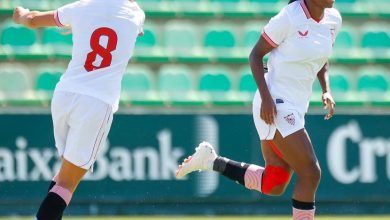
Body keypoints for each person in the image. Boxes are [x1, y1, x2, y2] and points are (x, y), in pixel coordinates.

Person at [176, 0, 342, 219]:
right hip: (275, 103)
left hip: (296, 107)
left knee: (274, 183)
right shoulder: (289, 16)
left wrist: (326, 89)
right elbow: (255, 55)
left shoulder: (333, 19)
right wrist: (266, 98)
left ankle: (210, 161)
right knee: (310, 172)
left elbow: (321, 58)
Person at [12, 0, 145, 219]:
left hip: (65, 95)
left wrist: (21, 15)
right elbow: (124, 30)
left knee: (63, 177)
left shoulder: (81, 7)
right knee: (66, 184)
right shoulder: (136, 14)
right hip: (95, 103)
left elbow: (33, 20)